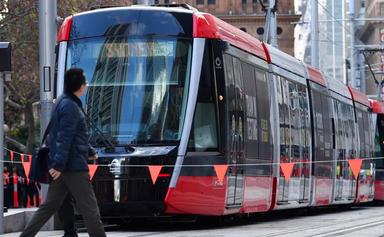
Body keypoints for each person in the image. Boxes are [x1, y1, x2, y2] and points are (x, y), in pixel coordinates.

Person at [20, 68, 106, 237]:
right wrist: (58, 165)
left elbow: (71, 135)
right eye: (85, 82)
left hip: (64, 166)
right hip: (73, 168)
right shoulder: (70, 106)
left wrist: (89, 151)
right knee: (90, 210)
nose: (87, 85)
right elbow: (63, 138)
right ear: (79, 86)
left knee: (48, 207)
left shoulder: (63, 101)